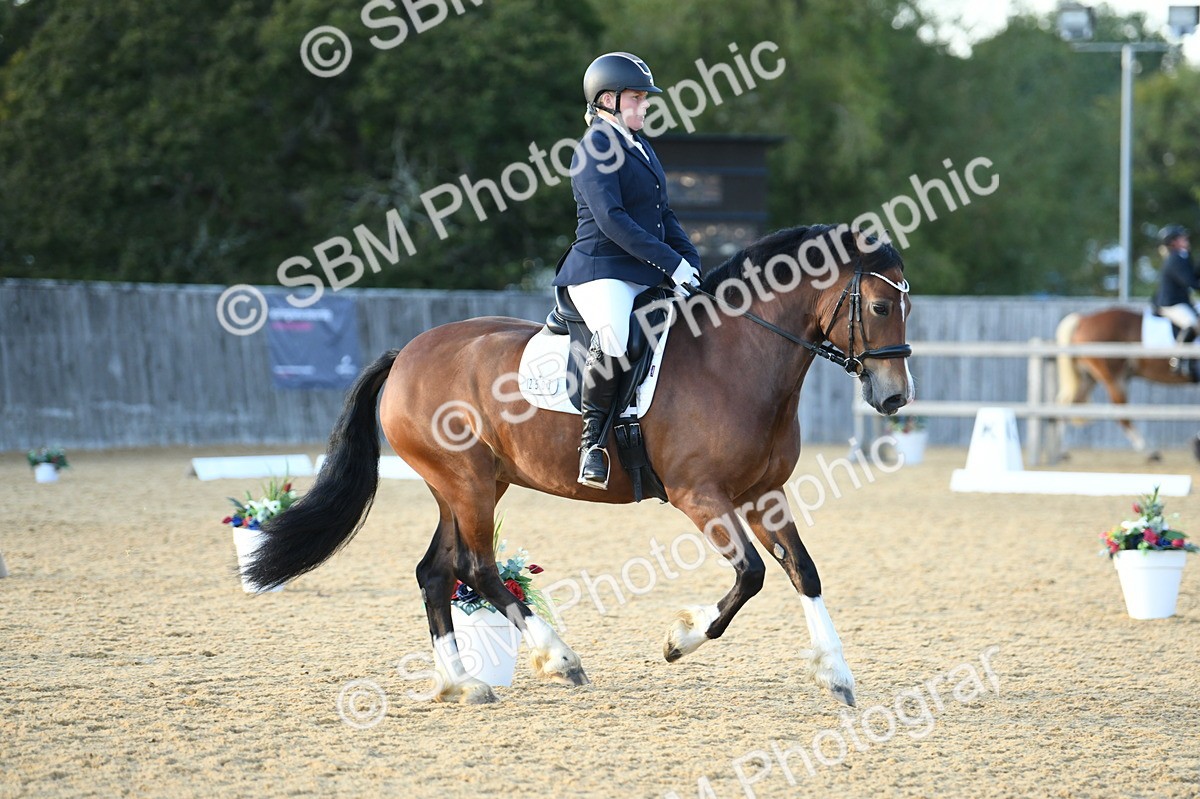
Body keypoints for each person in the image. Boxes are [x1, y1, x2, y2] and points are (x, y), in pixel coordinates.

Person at [552, 52, 702, 489]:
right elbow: (613, 220)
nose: (645, 105)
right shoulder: (593, 149)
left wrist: (689, 262)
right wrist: (670, 263)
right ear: (607, 100)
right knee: (615, 337)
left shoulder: (639, 146)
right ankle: (592, 445)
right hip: (601, 269)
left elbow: (663, 214)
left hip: (644, 270)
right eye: (637, 97)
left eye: (643, 97)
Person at [1152, 225, 1200, 377]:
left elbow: (1194, 275)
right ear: (1173, 243)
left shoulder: (1183, 256)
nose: (1185, 239)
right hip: (1170, 303)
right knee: (1192, 323)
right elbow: (1192, 282)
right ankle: (1177, 359)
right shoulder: (1174, 259)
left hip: (1181, 302)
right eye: (1181, 238)